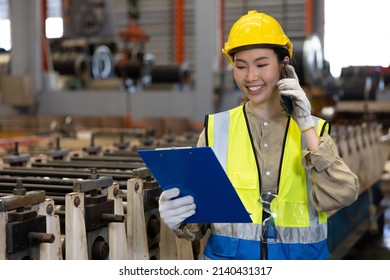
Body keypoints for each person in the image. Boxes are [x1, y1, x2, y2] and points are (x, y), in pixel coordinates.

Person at [158, 10, 359, 260]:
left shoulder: (312, 130)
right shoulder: (217, 130)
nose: (250, 76)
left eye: (262, 64)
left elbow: (344, 194)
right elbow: (199, 223)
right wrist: (179, 218)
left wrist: (305, 123)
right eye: (240, 66)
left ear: (284, 64)